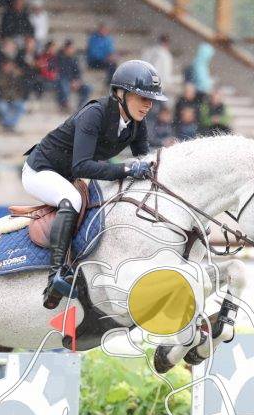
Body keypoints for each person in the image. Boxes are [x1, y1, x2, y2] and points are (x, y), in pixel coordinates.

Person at [22, 59, 166, 307]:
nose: (149, 105)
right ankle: (55, 275)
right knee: (72, 200)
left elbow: (145, 160)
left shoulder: (136, 123)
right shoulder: (94, 114)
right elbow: (82, 166)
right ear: (121, 93)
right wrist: (127, 169)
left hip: (68, 176)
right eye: (143, 97)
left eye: (151, 99)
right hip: (41, 171)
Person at [0, 58, 26, 132]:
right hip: (1, 98)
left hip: (13, 98)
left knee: (21, 107)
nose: (10, 67)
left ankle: (11, 124)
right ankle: (7, 125)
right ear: (3, 66)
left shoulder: (14, 76)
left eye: (11, 66)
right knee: (3, 107)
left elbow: (19, 89)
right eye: (8, 66)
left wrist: (16, 77)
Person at [54, 39, 90, 110]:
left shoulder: (74, 59)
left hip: (73, 82)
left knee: (87, 88)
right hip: (63, 81)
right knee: (63, 84)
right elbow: (60, 73)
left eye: (72, 48)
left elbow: (78, 72)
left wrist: (77, 81)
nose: (72, 50)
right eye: (70, 48)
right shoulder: (59, 58)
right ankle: (64, 104)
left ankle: (80, 107)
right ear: (65, 48)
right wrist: (71, 82)